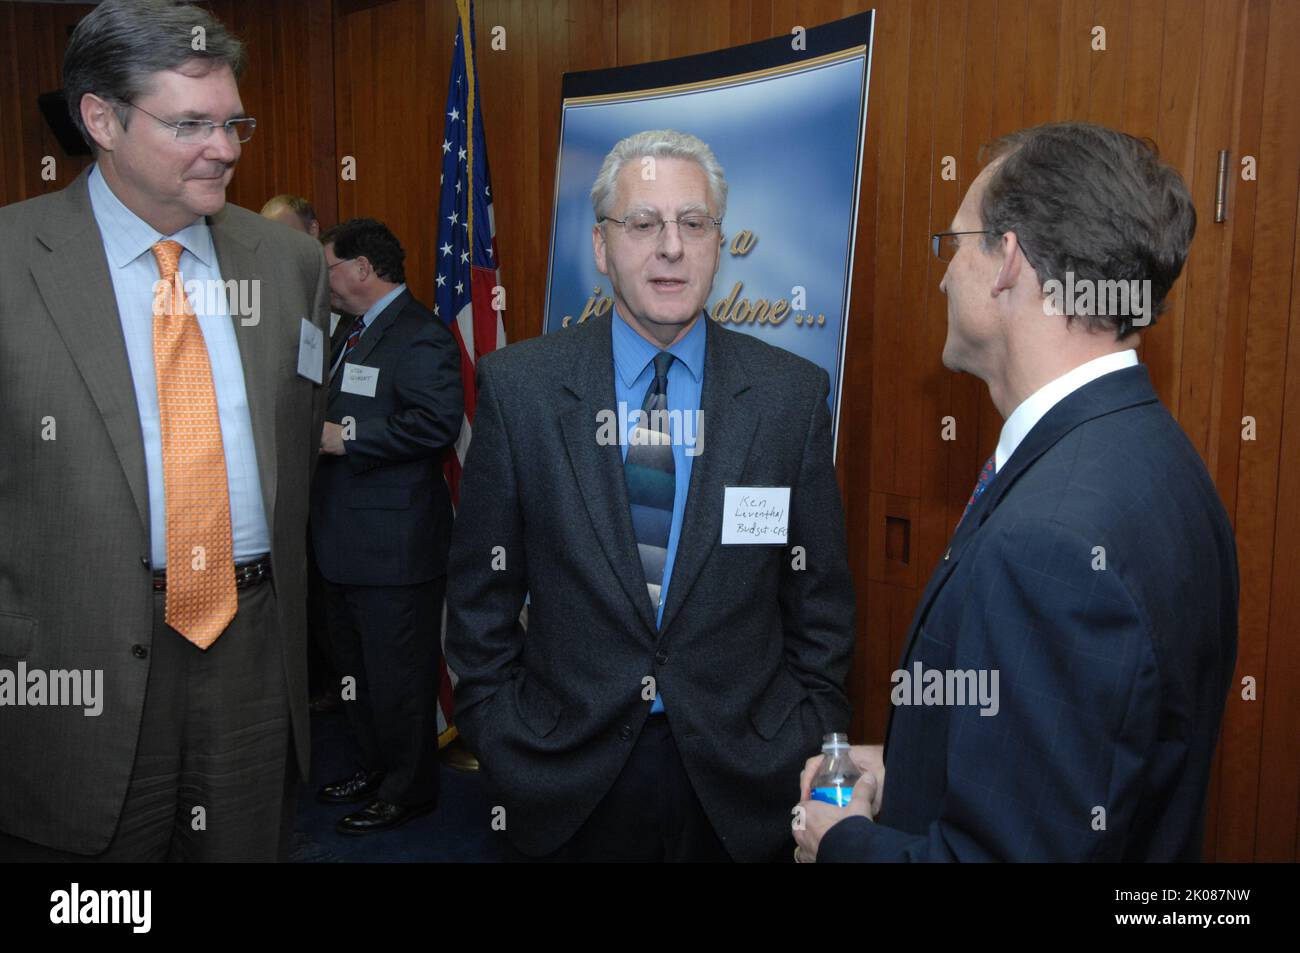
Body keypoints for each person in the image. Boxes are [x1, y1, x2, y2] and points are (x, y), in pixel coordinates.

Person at [794, 121, 1239, 863]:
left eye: (956, 242)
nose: (942, 274)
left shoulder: (1053, 543)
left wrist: (841, 839)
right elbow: (1068, 764)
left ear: (1008, 261)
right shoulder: (1161, 457)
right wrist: (905, 772)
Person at [446, 129, 855, 862]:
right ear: (603, 247)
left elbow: (819, 604)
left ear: (717, 242)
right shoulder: (521, 390)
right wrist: (500, 734)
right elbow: (482, 596)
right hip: (565, 774)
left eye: (693, 223)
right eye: (644, 223)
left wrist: (804, 730)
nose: (671, 246)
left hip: (743, 779)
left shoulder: (791, 397)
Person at [0, 0, 329, 861]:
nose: (224, 148)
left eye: (234, 122)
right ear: (101, 119)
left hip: (254, 649)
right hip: (76, 659)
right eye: (190, 124)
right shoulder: (8, 262)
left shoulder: (289, 265)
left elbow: (300, 450)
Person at [310, 218, 463, 834]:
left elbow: (435, 425)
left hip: (394, 550)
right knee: (355, 675)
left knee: (396, 679)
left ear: (362, 269)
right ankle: (373, 767)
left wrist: (344, 439)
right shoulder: (349, 331)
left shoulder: (420, 335)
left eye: (329, 267)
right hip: (338, 543)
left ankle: (409, 789)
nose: (325, 280)